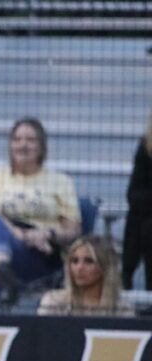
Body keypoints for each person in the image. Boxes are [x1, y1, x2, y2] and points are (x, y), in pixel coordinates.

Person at [0, 118, 81, 308]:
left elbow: (73, 230)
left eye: (30, 140)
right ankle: (3, 268)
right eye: (17, 139)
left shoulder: (61, 181)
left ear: (42, 146)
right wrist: (20, 234)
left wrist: (47, 233)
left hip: (40, 252)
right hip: (9, 239)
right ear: (10, 145)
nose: (23, 145)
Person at [38, 235, 134, 317]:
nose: (79, 268)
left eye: (89, 261)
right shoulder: (53, 302)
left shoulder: (121, 309)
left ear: (105, 267)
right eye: (74, 261)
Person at [122, 110, 152, 290]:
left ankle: (127, 278)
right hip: (146, 215)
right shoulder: (146, 147)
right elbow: (133, 194)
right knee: (141, 221)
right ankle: (127, 279)